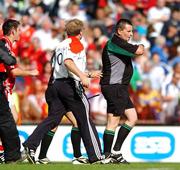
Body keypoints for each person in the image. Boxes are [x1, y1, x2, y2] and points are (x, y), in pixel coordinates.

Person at [23, 19, 103, 164]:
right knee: (84, 118)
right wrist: (83, 76)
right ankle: (96, 157)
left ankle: (30, 145)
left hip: (55, 85)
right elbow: (68, 62)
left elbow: (63, 67)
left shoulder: (60, 45)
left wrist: (88, 74)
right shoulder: (76, 43)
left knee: (53, 120)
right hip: (69, 86)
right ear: (80, 32)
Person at [100, 18, 144, 163]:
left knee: (132, 118)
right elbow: (139, 50)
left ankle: (115, 152)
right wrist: (141, 45)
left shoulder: (119, 43)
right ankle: (107, 155)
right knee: (113, 121)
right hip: (114, 86)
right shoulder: (115, 43)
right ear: (119, 31)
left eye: (132, 31)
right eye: (128, 31)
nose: (131, 34)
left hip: (120, 87)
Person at [0, 19, 39, 164]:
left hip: (6, 88)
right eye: (19, 30)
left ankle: (6, 152)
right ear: (13, 31)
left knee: (12, 119)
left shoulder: (6, 45)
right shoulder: (4, 44)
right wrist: (31, 72)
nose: (21, 33)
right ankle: (8, 154)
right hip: (3, 88)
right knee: (8, 121)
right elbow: (14, 71)